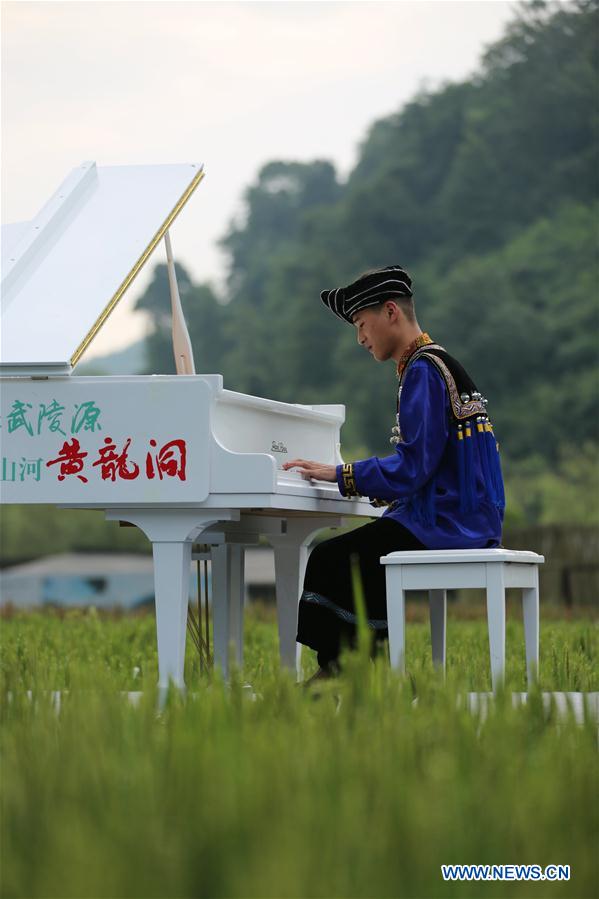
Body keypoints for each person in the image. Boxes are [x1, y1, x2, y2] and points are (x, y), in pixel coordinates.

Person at [283, 265, 505, 683]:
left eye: (362, 325)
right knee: (364, 550)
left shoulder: (422, 369)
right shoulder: (436, 363)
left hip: (449, 521)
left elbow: (413, 466)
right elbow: (426, 466)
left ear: (390, 313)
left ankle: (343, 672)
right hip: (464, 514)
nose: (360, 338)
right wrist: (369, 484)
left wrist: (340, 474)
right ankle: (361, 664)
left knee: (332, 556)